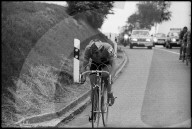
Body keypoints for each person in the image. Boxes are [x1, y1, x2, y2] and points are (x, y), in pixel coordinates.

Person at [81, 39, 116, 120]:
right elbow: (84, 64)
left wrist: (111, 76)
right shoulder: (88, 49)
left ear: (102, 50)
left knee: (106, 76)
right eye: (94, 53)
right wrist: (83, 75)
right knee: (93, 85)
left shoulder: (108, 48)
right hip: (95, 63)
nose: (95, 55)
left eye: (97, 53)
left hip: (106, 63)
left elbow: (114, 63)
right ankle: (94, 110)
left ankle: (109, 93)